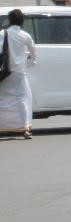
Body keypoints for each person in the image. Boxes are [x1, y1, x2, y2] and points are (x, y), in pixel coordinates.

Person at [0, 9, 38, 139]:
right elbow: (33, 52)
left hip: (4, 72)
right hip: (19, 73)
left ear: (10, 20)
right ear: (22, 21)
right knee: (22, 99)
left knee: (2, 99)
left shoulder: (2, 34)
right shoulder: (25, 35)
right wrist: (30, 62)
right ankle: (25, 128)